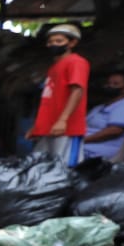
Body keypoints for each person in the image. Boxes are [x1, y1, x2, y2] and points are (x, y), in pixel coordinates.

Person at [26, 23, 89, 166]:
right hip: (50, 127)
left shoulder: (76, 62)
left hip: (67, 129)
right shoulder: (55, 67)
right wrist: (38, 126)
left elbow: (77, 90)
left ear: (72, 43)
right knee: (42, 167)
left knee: (65, 169)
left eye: (59, 41)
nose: (53, 44)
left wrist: (63, 120)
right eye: (50, 42)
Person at [82, 67, 124, 162]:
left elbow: (114, 131)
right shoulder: (99, 107)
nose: (109, 86)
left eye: (115, 84)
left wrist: (83, 140)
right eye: (108, 83)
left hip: (98, 153)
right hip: (84, 146)